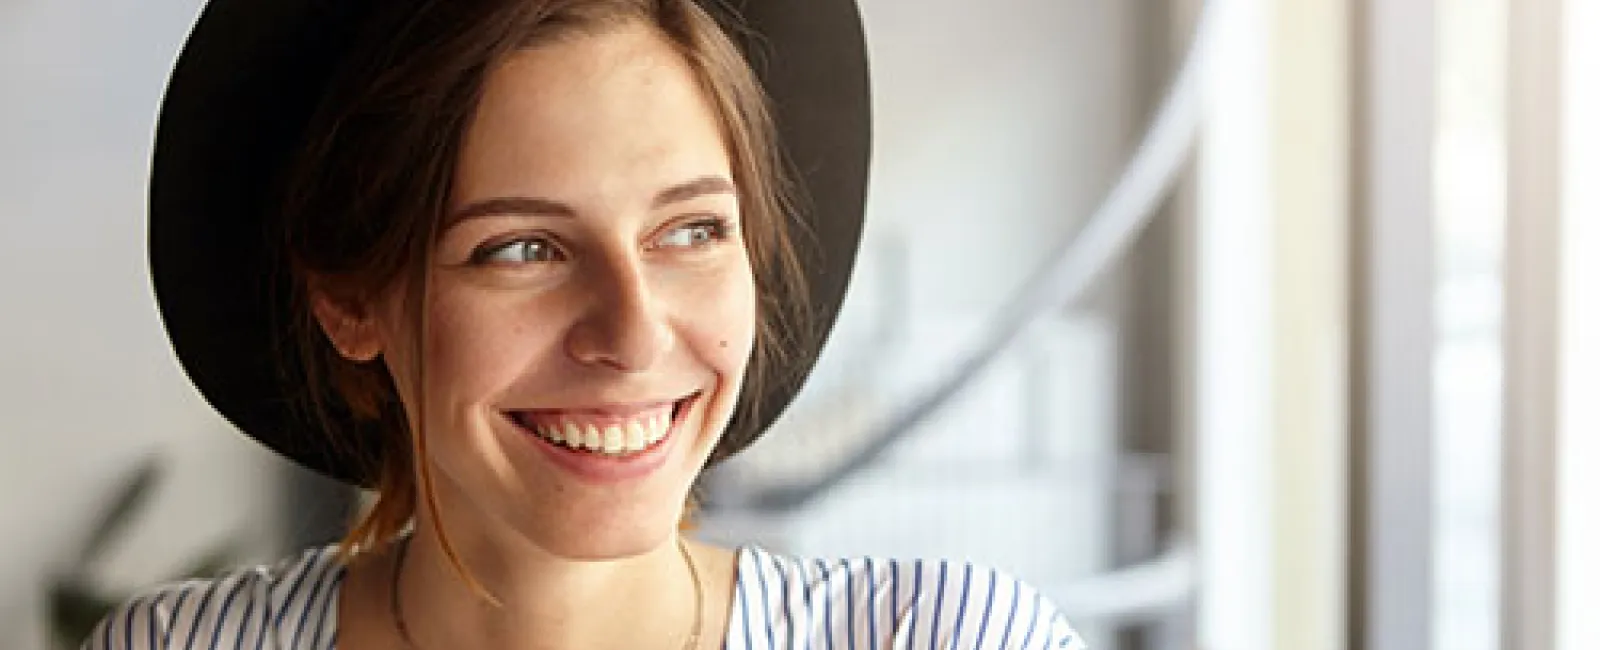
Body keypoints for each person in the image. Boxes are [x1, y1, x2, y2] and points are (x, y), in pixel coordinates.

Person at [87, 0, 1086, 648]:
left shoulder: (949, 634)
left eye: (691, 229)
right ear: (350, 301)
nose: (634, 331)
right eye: (522, 248)